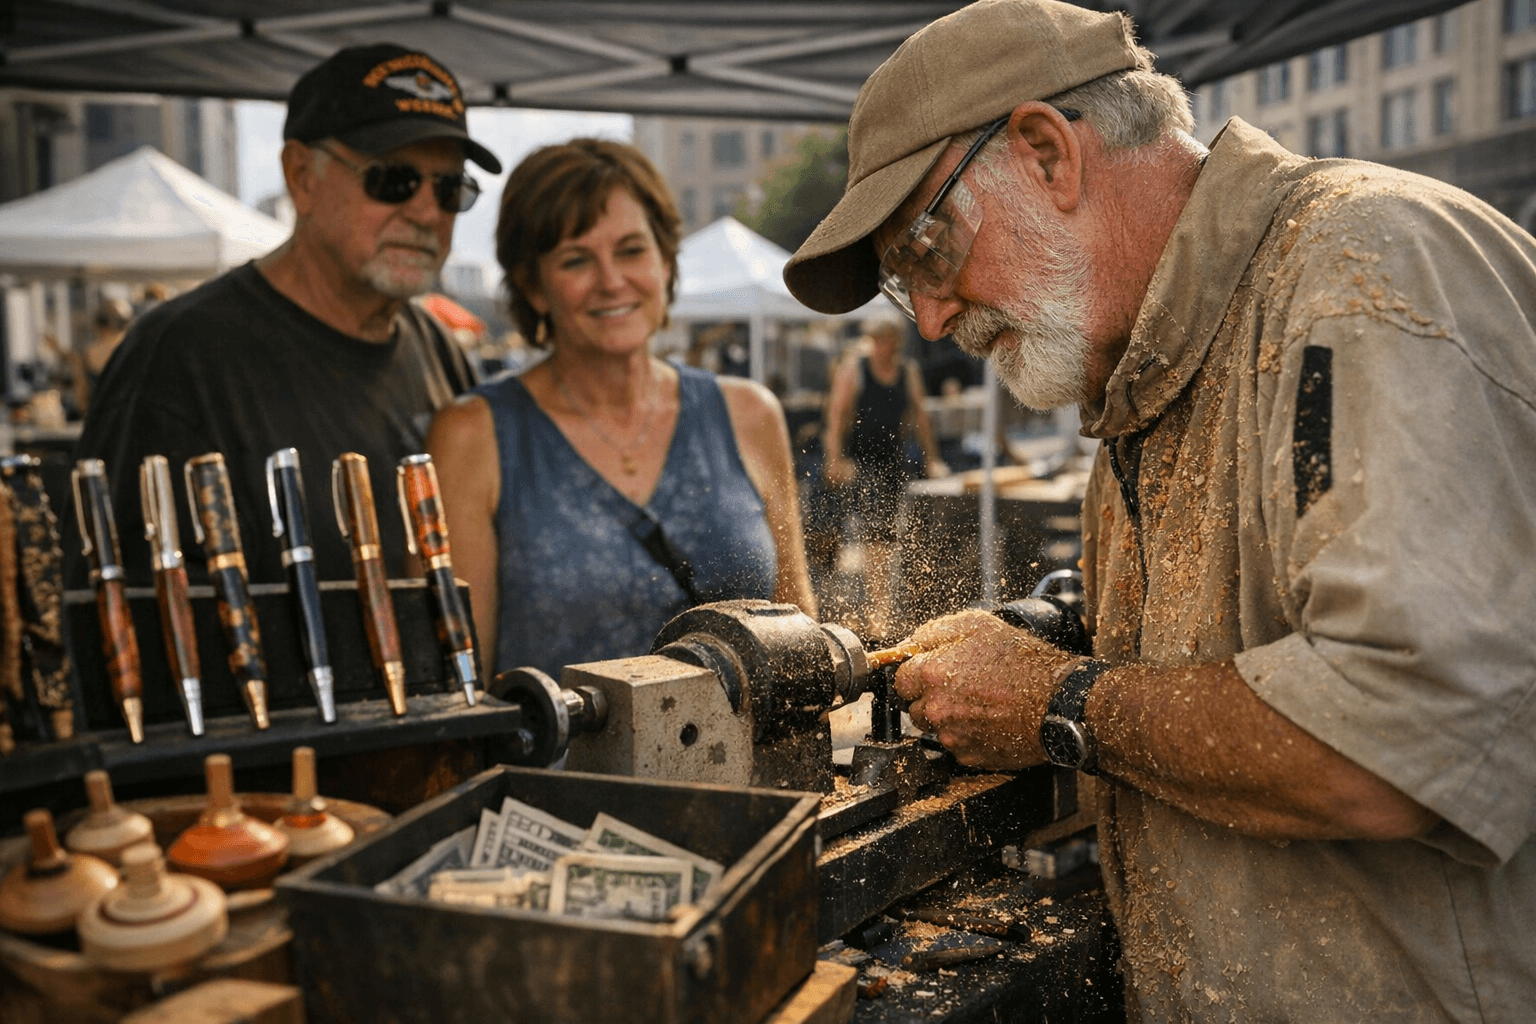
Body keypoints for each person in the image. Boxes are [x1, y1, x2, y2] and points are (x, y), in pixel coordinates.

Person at [783, 1, 1536, 1021]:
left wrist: (1060, 701)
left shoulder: (1364, 275)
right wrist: (1056, 646)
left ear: (1048, 151)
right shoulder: (1144, 374)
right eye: (901, 285)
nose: (929, 315)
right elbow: (1234, 652)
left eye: (926, 250)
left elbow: (1398, 742)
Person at [68, 43, 498, 587]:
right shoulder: (178, 355)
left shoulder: (437, 347)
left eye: (450, 188)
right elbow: (116, 608)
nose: (426, 211)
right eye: (393, 180)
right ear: (301, 176)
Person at [426, 139, 815, 679]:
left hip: (749, 766)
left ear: (664, 260)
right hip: (555, 767)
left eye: (631, 250)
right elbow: (457, 685)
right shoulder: (475, 436)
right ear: (533, 286)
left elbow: (800, 646)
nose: (611, 281)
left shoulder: (749, 415)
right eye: (576, 260)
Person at [821, 316, 947, 640]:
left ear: (895, 342)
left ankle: (881, 605)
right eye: (875, 341)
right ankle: (877, 610)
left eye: (884, 341)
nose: (879, 347)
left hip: (894, 462)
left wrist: (932, 457)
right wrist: (834, 458)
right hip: (862, 462)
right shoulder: (855, 369)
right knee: (874, 538)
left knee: (889, 538)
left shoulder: (908, 372)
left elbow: (920, 417)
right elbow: (836, 415)